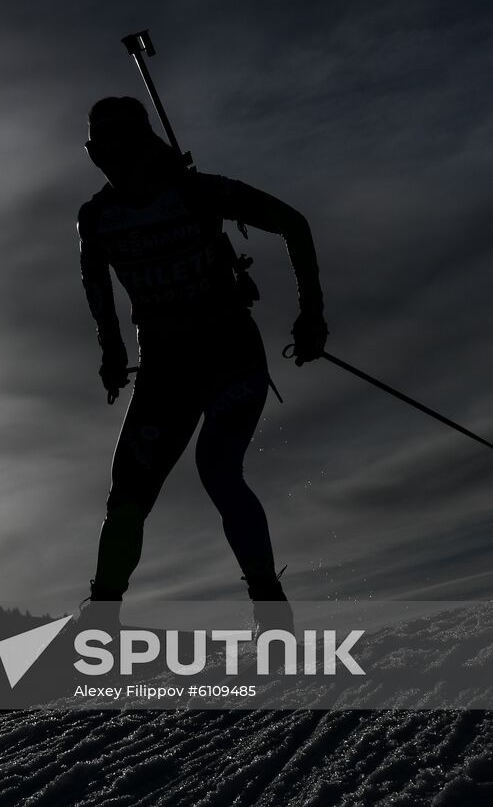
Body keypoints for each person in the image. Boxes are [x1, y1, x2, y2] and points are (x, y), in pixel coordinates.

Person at [76, 96, 327, 631]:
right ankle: (101, 620)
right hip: (170, 371)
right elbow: (96, 286)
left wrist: (312, 316)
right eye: (106, 149)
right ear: (95, 154)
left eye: (126, 146)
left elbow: (294, 224)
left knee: (214, 469)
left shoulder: (194, 193)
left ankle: (268, 605)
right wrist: (113, 351)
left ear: (145, 145)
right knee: (130, 493)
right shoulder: (100, 218)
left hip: (230, 358)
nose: (116, 160)